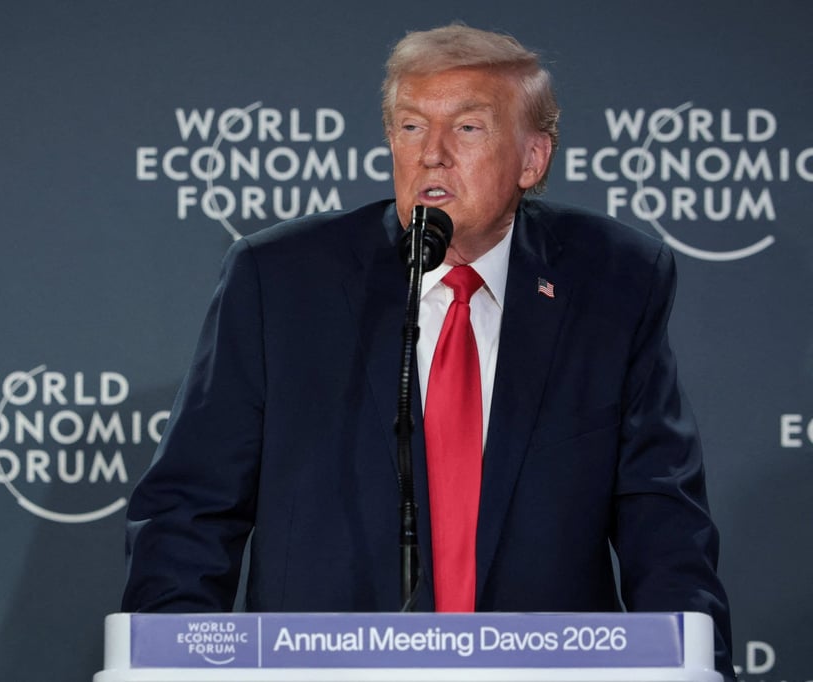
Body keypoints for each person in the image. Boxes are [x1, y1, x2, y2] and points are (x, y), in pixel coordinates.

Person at [122, 22, 734, 678]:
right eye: (412, 127)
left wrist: (696, 667)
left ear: (532, 158)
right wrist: (171, 667)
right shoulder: (281, 279)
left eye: (468, 128)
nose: (432, 155)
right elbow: (191, 509)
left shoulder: (614, 279)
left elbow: (663, 522)